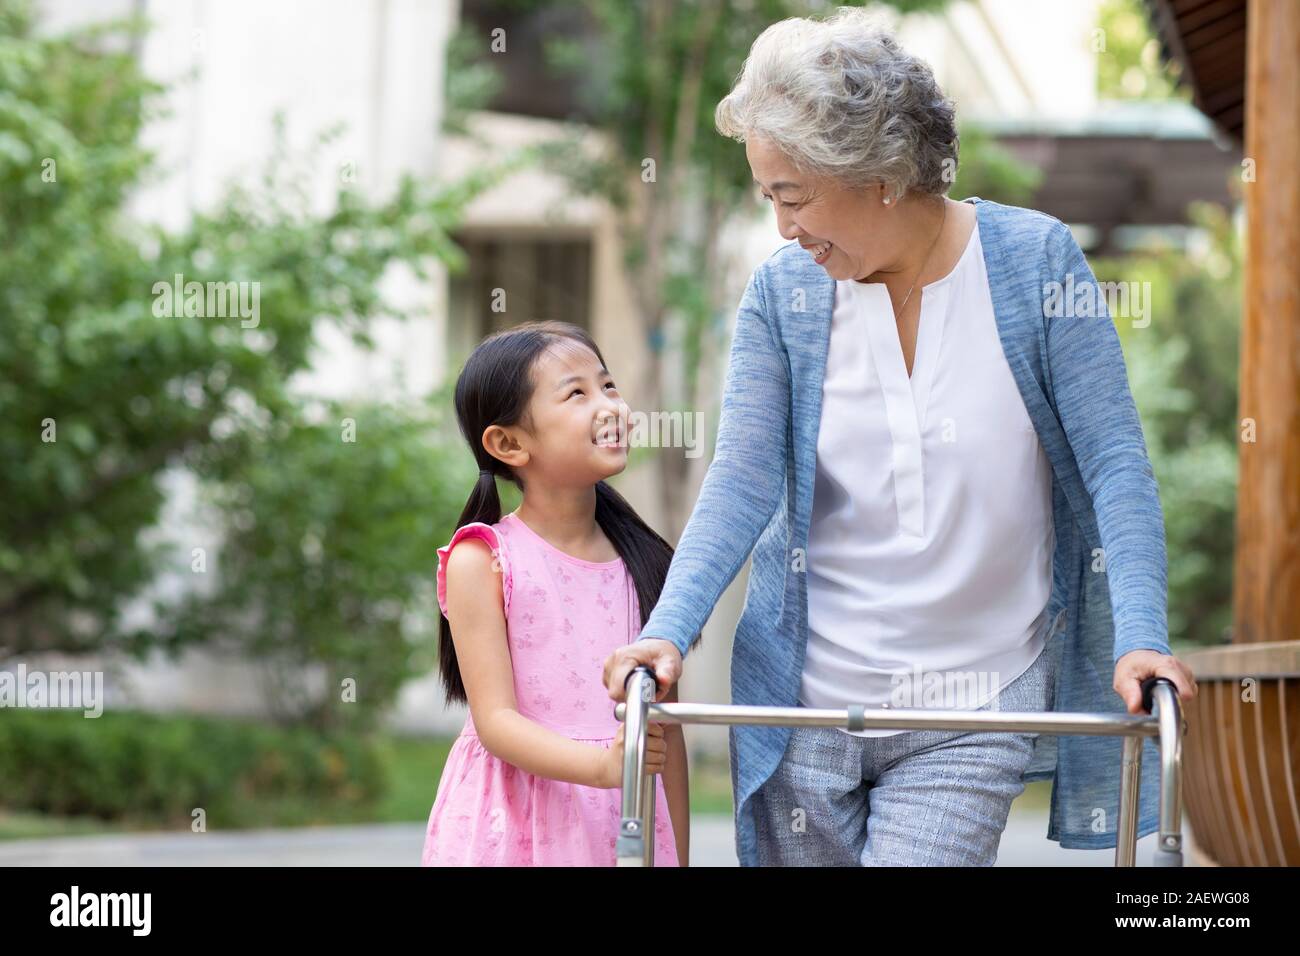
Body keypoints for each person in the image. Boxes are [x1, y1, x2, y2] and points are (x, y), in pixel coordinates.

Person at [602, 7, 1197, 866]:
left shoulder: (1033, 264)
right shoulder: (785, 295)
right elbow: (742, 479)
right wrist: (669, 630)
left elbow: (1115, 466)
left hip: (972, 704)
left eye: (792, 196)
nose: (782, 227)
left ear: (877, 172)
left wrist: (1142, 633)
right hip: (803, 706)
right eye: (768, 197)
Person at [423, 320, 687, 866]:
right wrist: (603, 768)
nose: (610, 406)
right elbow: (497, 723)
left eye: (609, 386)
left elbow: (669, 736)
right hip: (513, 823)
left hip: (624, 815)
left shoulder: (648, 562)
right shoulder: (484, 559)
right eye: (577, 393)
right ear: (509, 443)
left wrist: (679, 856)